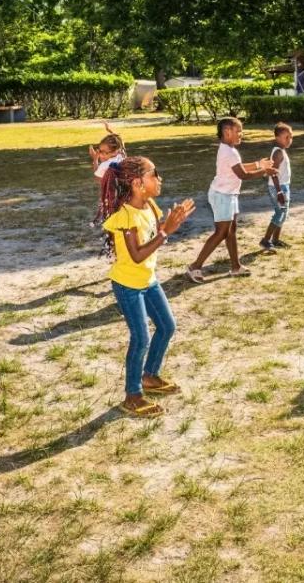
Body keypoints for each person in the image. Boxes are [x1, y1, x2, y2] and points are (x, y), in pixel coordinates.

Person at [101, 156, 195, 417]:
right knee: (140, 338)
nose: (159, 178)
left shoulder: (150, 206)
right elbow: (137, 255)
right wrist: (167, 232)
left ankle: (150, 376)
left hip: (148, 280)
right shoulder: (125, 216)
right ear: (137, 183)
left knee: (167, 326)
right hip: (127, 285)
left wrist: (170, 223)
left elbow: (155, 232)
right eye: (155, 174)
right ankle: (132, 396)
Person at [185, 117, 274, 281]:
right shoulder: (229, 151)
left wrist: (258, 164)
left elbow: (238, 167)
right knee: (221, 233)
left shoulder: (228, 149)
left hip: (228, 195)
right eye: (238, 131)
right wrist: (264, 172)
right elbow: (243, 175)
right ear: (227, 132)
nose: (241, 134)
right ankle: (194, 267)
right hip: (222, 196)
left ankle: (236, 267)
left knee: (231, 231)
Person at [259, 122, 293, 252]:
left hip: (283, 186)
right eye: (286, 137)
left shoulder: (281, 150)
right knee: (280, 214)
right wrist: (279, 192)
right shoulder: (278, 152)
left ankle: (276, 240)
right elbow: (273, 173)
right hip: (278, 188)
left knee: (283, 213)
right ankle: (265, 240)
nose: (289, 140)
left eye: (291, 137)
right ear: (277, 138)